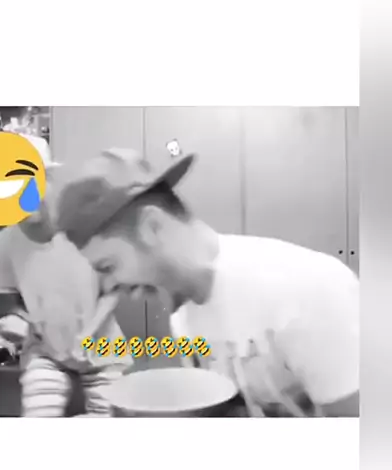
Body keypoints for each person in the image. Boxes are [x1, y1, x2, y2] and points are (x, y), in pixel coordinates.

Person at [54, 148, 360, 418]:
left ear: (153, 227)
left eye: (108, 267)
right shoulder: (184, 318)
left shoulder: (310, 290)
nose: (109, 287)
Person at [0, 161, 132, 417]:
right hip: (46, 352)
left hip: (104, 349)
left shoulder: (87, 230)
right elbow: (15, 301)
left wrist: (88, 333)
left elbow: (115, 287)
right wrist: (18, 321)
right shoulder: (2, 246)